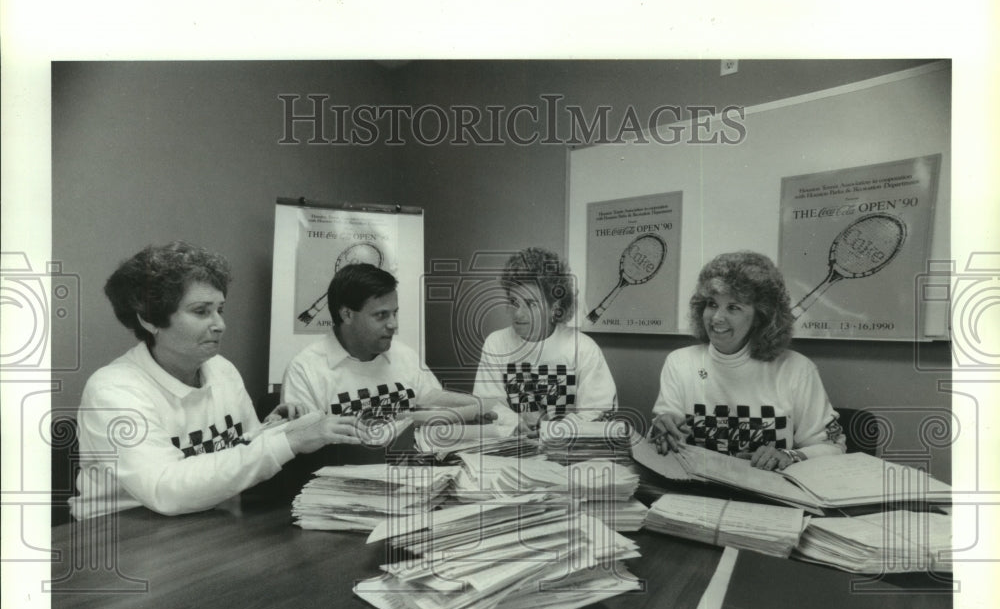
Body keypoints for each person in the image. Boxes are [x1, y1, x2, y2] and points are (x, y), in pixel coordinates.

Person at [70, 242, 361, 520]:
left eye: (219, 309)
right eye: (201, 312)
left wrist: (273, 430)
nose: (220, 325)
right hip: (124, 537)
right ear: (149, 320)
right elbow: (163, 490)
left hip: (203, 520)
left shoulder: (220, 370)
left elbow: (240, 457)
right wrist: (287, 442)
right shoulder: (113, 390)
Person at [651, 251, 845, 470]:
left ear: (761, 317)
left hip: (771, 495)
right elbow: (667, 433)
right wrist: (663, 431)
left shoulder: (797, 369)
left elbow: (832, 447)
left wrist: (789, 456)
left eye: (733, 307)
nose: (716, 318)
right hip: (699, 495)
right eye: (712, 304)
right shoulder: (680, 362)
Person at [282, 262, 482, 418]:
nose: (393, 324)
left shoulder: (405, 357)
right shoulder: (304, 370)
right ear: (347, 315)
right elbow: (302, 450)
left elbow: (433, 404)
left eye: (394, 313)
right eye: (381, 315)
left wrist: (475, 407)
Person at [474, 247, 617, 433]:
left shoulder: (583, 348)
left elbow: (598, 412)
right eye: (513, 302)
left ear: (554, 307)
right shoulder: (496, 343)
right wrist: (513, 423)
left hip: (567, 450)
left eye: (531, 304)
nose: (518, 313)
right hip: (514, 448)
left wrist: (550, 430)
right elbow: (488, 404)